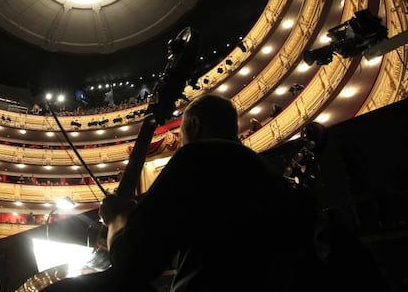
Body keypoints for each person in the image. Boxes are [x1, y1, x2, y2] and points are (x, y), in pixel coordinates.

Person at [42, 94, 389, 291]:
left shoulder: (198, 156)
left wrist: (118, 218)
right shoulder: (270, 176)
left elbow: (133, 264)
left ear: (191, 126)